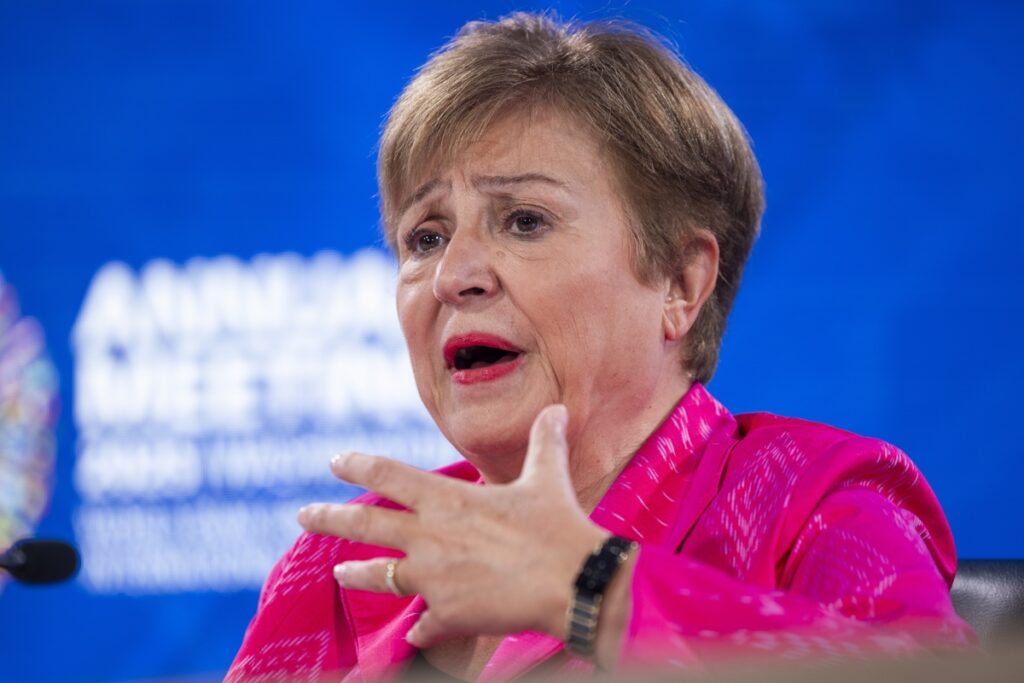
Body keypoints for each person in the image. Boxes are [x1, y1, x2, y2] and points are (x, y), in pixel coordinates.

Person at [228, 13, 973, 682]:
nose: (453, 276)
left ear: (681, 281)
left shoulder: (806, 501)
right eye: (426, 237)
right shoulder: (346, 559)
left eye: (524, 220)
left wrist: (588, 586)